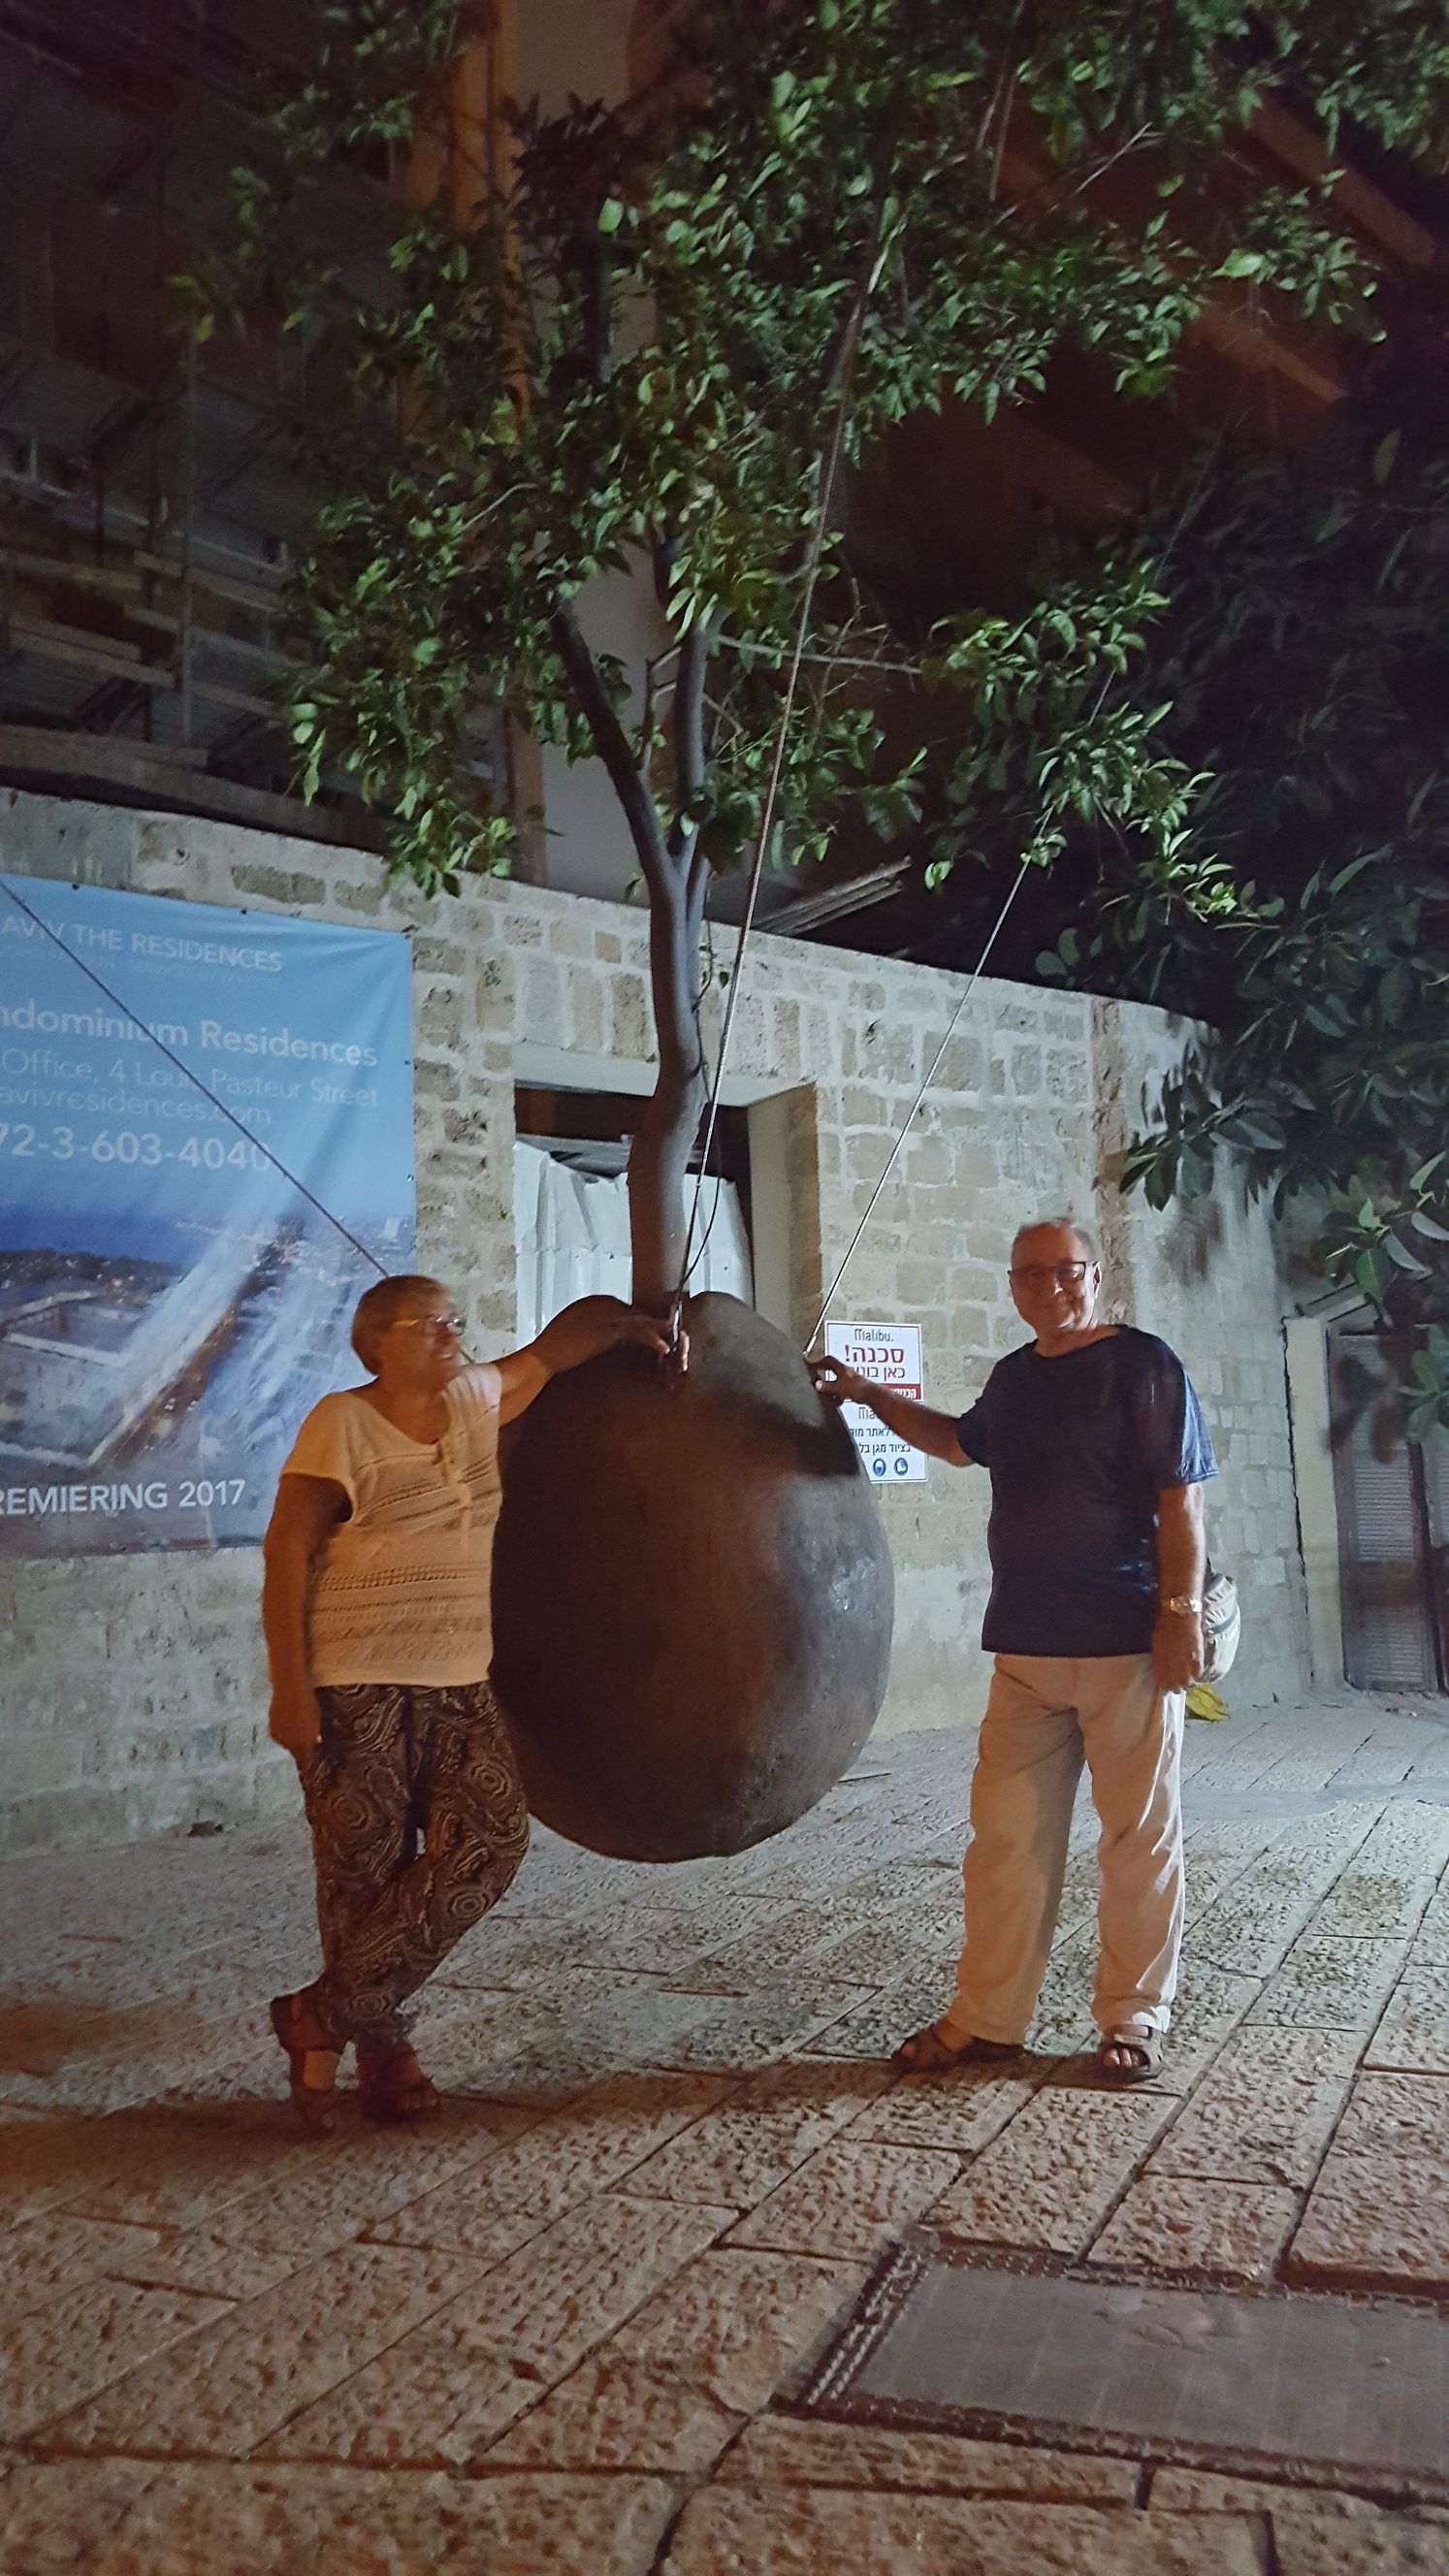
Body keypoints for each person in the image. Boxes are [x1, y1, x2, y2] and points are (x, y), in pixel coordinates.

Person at [812, 1217, 1215, 2084]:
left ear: (1094, 1276)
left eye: (1065, 1271)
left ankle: (1133, 2017)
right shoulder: (1015, 1378)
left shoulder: (1144, 1366)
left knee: (1137, 1838)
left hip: (1125, 1643)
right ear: (1012, 1288)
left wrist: (1179, 1614)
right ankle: (989, 2020)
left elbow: (1181, 1500)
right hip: (1027, 1648)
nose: (1049, 1287)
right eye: (1030, 1275)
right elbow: (956, 1443)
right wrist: (867, 1393)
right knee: (1005, 1841)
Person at [262, 1274, 668, 2134]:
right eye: (430, 1323)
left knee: (491, 1842)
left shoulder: (476, 1398)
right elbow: (287, 1550)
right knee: (362, 1872)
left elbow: (554, 1351)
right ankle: (385, 2058)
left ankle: (319, 2016)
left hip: (455, 1676)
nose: (452, 1333)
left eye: (454, 1319)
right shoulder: (341, 1421)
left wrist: (634, 1323)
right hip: (355, 1679)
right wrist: (289, 1690)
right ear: (376, 1342)